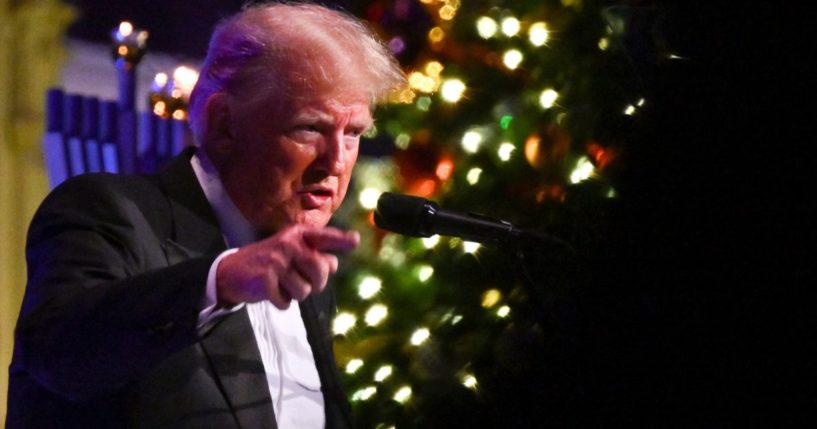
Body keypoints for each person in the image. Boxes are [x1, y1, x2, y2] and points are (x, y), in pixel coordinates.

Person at [6, 3, 405, 428]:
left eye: (354, 133)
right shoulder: (110, 212)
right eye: (309, 128)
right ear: (223, 124)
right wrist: (223, 280)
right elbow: (59, 353)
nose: (336, 162)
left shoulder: (308, 276)